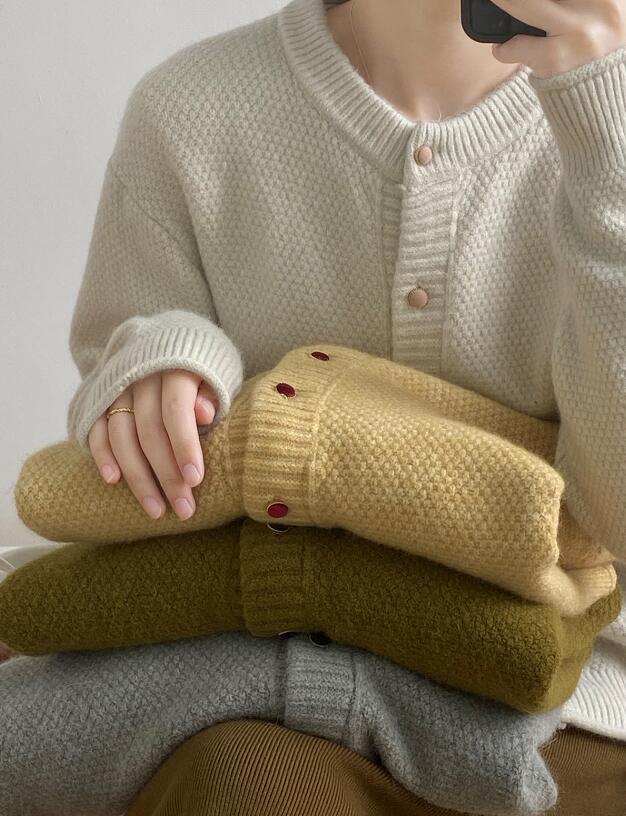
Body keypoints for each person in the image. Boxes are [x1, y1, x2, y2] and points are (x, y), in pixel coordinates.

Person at [49, 0, 626, 811]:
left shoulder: (616, 115)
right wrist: (165, 358)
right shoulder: (189, 108)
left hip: (582, 707)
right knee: (241, 785)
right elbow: (122, 429)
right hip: (270, 696)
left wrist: (607, 138)